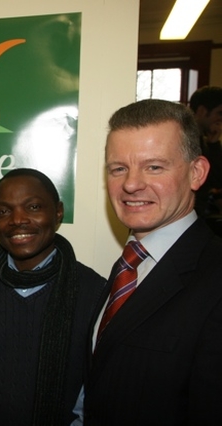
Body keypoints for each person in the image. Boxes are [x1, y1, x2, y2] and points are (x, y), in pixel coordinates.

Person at [83, 99, 222, 424]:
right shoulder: (128, 266)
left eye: (154, 167)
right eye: (119, 168)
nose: (131, 184)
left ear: (196, 172)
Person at [0, 168, 105, 425]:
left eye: (33, 206)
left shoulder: (95, 293)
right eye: (4, 211)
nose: (17, 220)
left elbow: (93, 397)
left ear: (58, 212)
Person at [189, 86, 222, 227]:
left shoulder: (204, 140)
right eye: (219, 113)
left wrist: (214, 142)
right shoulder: (187, 140)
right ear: (202, 111)